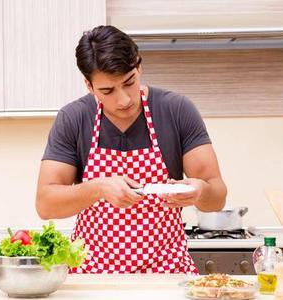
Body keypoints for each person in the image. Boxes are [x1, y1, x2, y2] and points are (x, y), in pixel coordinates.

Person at [35, 25, 227, 274]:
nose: (123, 99)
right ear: (89, 85)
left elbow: (217, 196)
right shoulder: (74, 118)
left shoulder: (176, 110)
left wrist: (200, 192)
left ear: (139, 67)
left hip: (167, 274)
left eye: (129, 82)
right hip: (93, 277)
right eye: (107, 91)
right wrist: (98, 188)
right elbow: (45, 205)